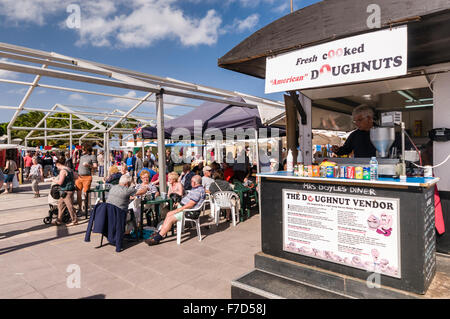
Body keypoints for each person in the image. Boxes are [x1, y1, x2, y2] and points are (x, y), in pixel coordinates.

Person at [145, 175, 205, 246]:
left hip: (188, 211)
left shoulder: (198, 191)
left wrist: (177, 210)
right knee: (168, 214)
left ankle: (157, 238)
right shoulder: (197, 188)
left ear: (194, 183)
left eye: (191, 181)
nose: (190, 182)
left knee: (170, 217)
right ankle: (160, 233)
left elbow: (190, 205)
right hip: (184, 208)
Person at [54, 156, 77, 226]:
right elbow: (76, 177)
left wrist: (53, 180)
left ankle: (74, 220)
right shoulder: (69, 169)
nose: (57, 168)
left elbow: (60, 182)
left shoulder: (63, 171)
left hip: (66, 191)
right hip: (69, 190)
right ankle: (59, 220)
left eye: (56, 166)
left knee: (69, 206)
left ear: (58, 164)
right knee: (60, 205)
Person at [75, 144, 98, 213]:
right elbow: (74, 161)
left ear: (87, 150)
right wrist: (74, 153)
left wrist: (89, 165)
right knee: (78, 193)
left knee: (86, 193)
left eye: (83, 149)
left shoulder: (92, 156)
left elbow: (95, 166)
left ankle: (86, 207)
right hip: (79, 177)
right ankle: (79, 208)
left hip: (87, 177)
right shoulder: (81, 156)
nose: (82, 150)